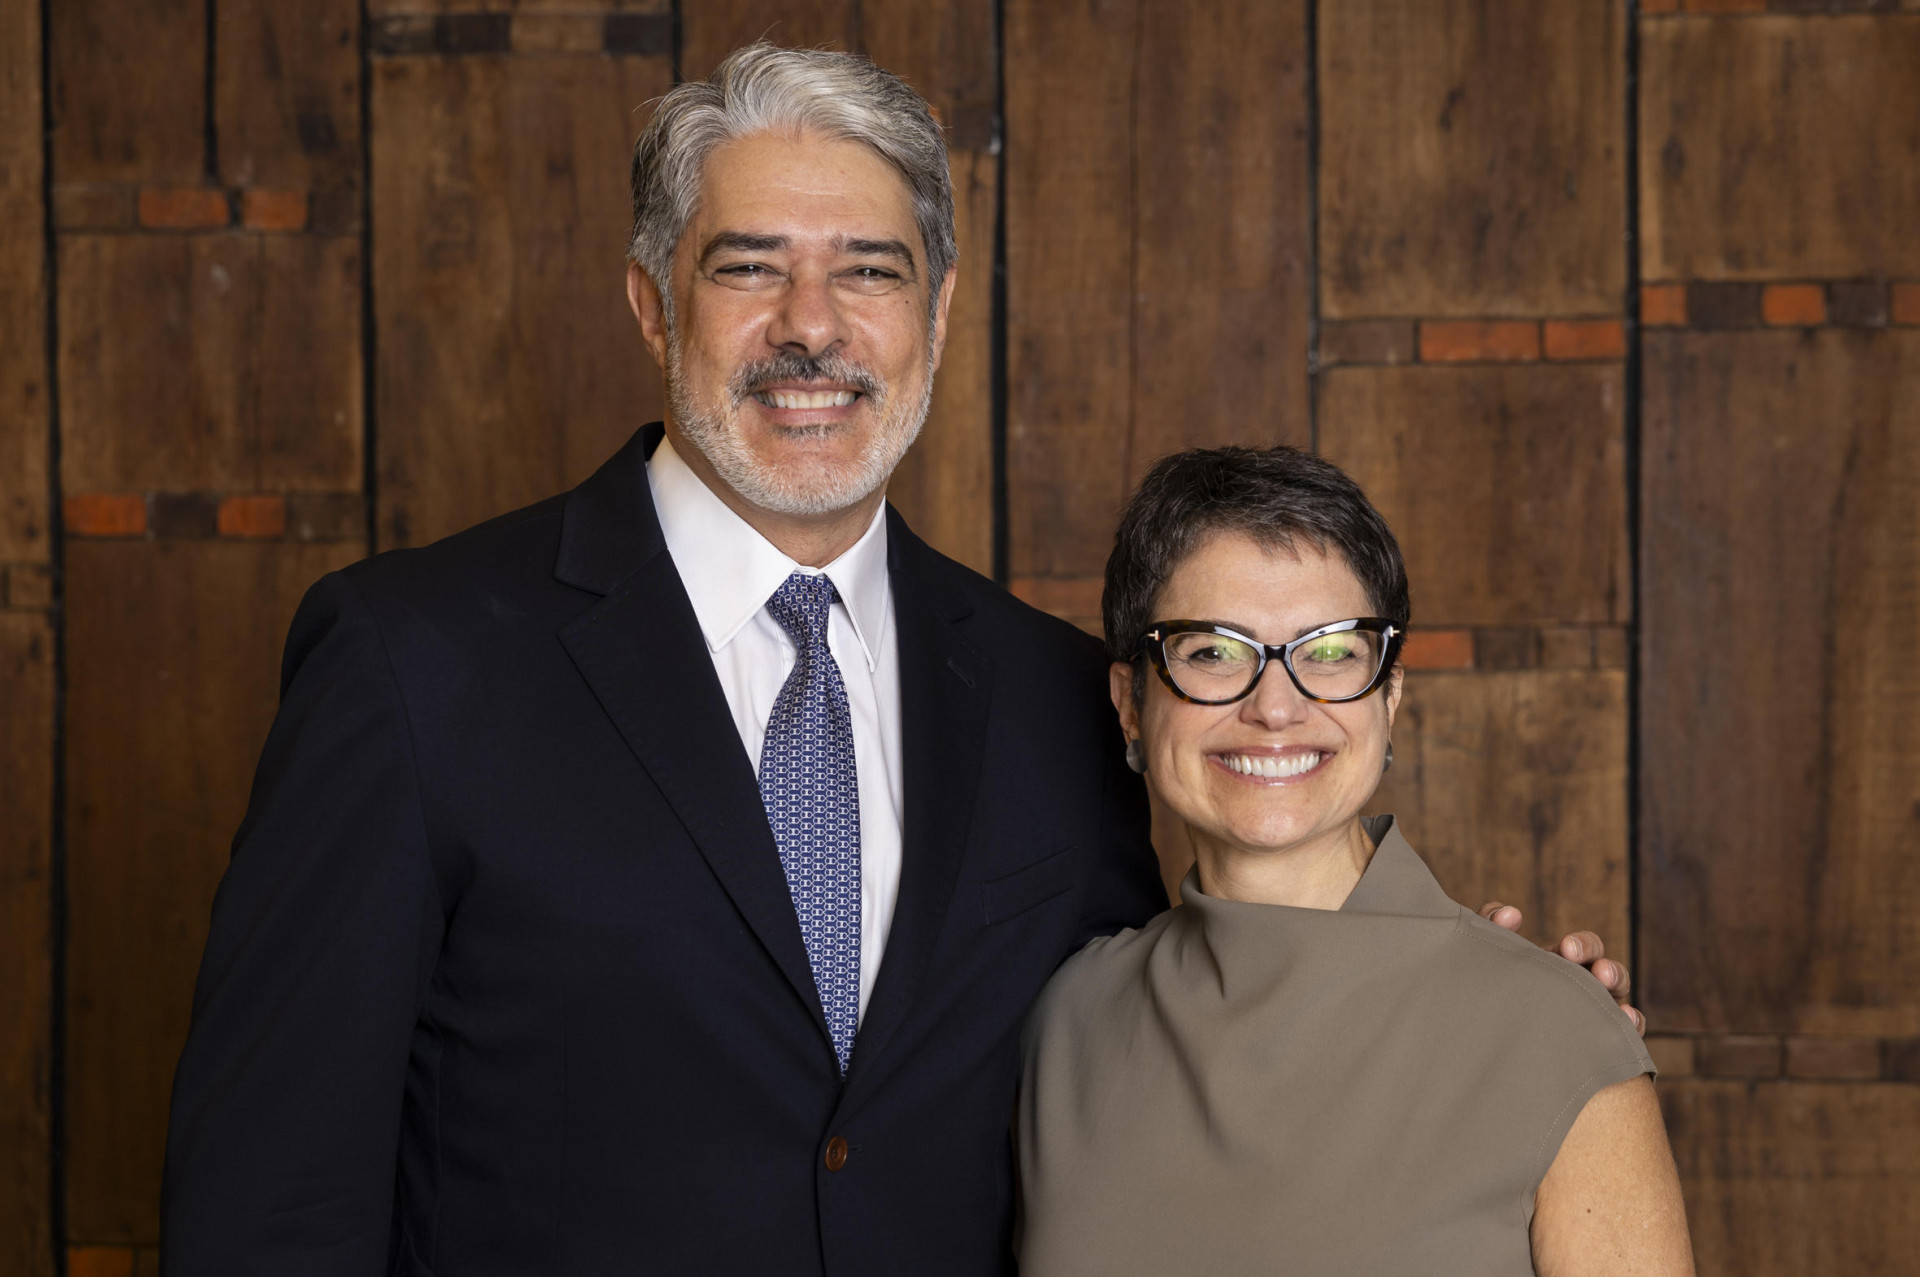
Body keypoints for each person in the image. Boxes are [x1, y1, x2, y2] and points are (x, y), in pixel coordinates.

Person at [162, 44, 1637, 1275]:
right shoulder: (416, 663)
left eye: (869, 270)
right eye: (750, 267)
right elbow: (269, 1204)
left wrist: (1493, 1013)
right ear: (649, 301)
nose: (814, 328)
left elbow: (1212, 1000)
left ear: (934, 313)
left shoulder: (1062, 694)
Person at [1016, 446, 1692, 1276]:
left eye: (1330, 652)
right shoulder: (1066, 1022)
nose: (1275, 706)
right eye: (1213, 651)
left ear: (1390, 697)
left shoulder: (1555, 1035)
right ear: (1131, 704)